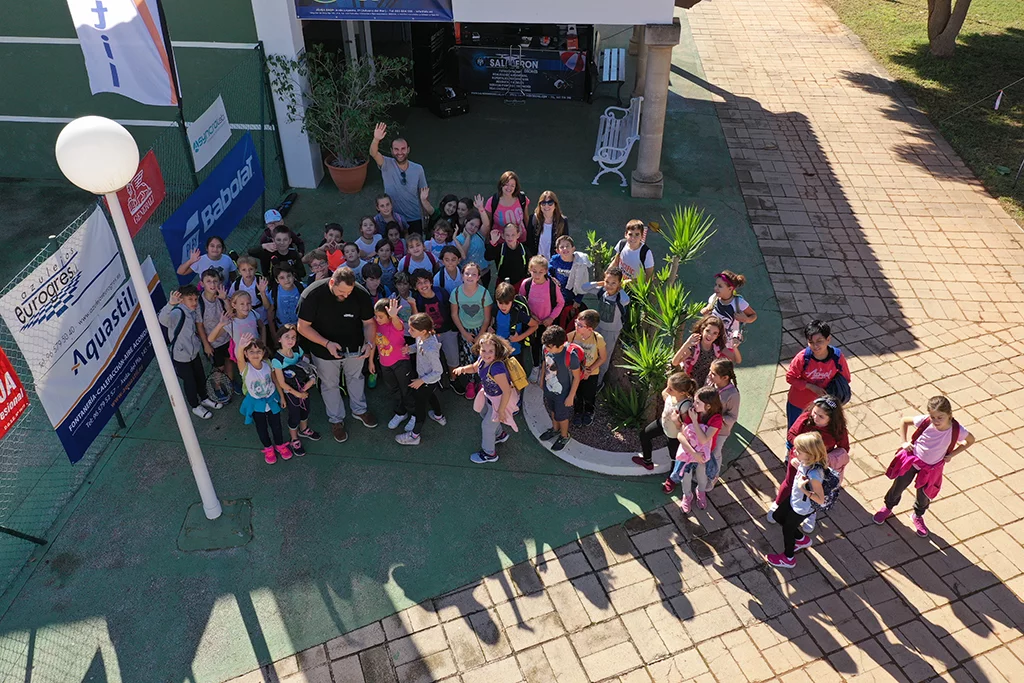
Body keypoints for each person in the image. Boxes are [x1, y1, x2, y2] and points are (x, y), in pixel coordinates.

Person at [297, 267, 378, 443]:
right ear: (332, 282)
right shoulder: (312, 294)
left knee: (356, 378)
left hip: (355, 348)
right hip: (323, 351)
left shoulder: (360, 293)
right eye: (342, 291)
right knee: (329, 384)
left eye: (349, 291)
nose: (346, 296)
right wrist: (326, 343)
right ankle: (336, 420)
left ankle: (359, 410)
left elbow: (369, 323)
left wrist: (369, 343)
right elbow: (302, 327)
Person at [875, 396, 974, 538]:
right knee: (899, 485)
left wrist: (952, 454)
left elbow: (970, 440)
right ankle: (888, 507)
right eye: (933, 417)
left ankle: (917, 515)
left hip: (932, 469)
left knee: (924, 495)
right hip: (913, 461)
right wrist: (904, 442)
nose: (936, 421)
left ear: (950, 415)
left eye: (940, 417)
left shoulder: (957, 430)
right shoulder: (926, 421)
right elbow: (904, 421)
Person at [767, 394, 849, 533]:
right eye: (815, 412)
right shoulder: (806, 418)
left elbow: (844, 449)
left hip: (818, 467)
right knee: (790, 482)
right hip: (797, 460)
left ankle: (810, 514)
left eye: (821, 416)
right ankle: (778, 503)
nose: (815, 417)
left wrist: (824, 458)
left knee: (814, 490)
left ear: (831, 419)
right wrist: (801, 447)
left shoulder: (838, 430)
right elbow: (791, 434)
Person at [159, 286, 224, 419]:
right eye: (190, 299)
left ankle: (204, 398)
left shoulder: (193, 311)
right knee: (190, 382)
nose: (194, 302)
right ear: (181, 300)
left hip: (194, 353)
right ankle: (195, 406)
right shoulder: (177, 312)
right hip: (181, 357)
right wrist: (170, 304)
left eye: (195, 299)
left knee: (200, 377)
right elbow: (163, 320)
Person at [766, 432, 828, 569]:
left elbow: (821, 499)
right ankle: (800, 539)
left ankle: (788, 558)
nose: (795, 451)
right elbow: (802, 469)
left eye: (799, 450)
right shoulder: (806, 462)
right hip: (795, 499)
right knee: (778, 516)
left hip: (802, 508)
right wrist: (798, 465)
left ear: (810, 454)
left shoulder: (814, 474)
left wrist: (804, 489)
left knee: (788, 529)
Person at [454, 333, 518, 464]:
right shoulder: (482, 360)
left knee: (487, 425)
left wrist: (500, 411)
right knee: (484, 413)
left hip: (500, 401)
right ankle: (499, 435)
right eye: (483, 350)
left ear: (497, 351)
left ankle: (489, 454)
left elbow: (506, 391)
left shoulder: (497, 368)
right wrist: (463, 369)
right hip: (490, 396)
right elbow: (474, 367)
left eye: (491, 351)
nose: (486, 354)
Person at [663, 387, 723, 511]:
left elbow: (703, 440)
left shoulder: (716, 420)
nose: (693, 404)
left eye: (697, 403)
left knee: (702, 477)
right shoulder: (692, 413)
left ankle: (700, 492)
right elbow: (680, 435)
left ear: (708, 406)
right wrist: (693, 453)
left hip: (704, 455)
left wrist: (695, 421)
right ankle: (687, 496)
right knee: (686, 477)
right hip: (689, 453)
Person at [785, 319, 851, 428]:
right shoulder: (802, 358)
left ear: (828, 339)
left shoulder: (837, 357)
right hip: (798, 404)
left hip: (822, 407)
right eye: (811, 342)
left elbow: (845, 378)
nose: (815, 346)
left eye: (819, 341)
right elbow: (790, 378)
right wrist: (810, 386)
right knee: (795, 432)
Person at [395, 313, 447, 445]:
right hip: (426, 381)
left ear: (423, 331)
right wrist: (410, 349)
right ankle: (438, 416)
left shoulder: (430, 349)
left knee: (420, 407)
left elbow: (438, 371)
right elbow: (418, 348)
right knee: (431, 396)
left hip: (426, 381)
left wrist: (421, 381)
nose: (409, 330)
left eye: (412, 329)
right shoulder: (422, 338)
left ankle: (414, 436)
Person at [237, 333, 290, 464]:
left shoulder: (267, 364)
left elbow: (275, 380)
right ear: (246, 354)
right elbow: (239, 359)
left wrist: (282, 397)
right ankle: (268, 448)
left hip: (272, 401)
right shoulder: (245, 368)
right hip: (256, 405)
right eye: (251, 351)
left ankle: (280, 445)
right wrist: (240, 346)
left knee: (276, 425)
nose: (255, 354)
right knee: (262, 428)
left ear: (263, 352)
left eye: (258, 351)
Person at [271, 324, 321, 457]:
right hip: (291, 393)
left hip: (303, 388)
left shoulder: (298, 350)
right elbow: (281, 382)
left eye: (293, 337)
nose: (290, 340)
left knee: (306, 410)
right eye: (287, 337)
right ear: (279, 339)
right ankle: (294, 439)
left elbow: (306, 366)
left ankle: (304, 429)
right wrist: (297, 393)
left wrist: (310, 381)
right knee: (294, 416)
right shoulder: (277, 360)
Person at [369, 299, 417, 433]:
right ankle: (401, 413)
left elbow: (398, 325)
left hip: (401, 363)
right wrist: (371, 361)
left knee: (406, 390)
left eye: (381, 316)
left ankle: (414, 414)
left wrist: (394, 315)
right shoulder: (375, 325)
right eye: (376, 316)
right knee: (393, 390)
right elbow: (373, 343)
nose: (377, 319)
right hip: (384, 365)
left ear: (389, 315)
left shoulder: (396, 323)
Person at [369, 123, 428, 233]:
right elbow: (373, 153)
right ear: (391, 151)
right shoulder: (386, 164)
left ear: (408, 149)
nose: (400, 152)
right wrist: (376, 139)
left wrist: (425, 216)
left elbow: (423, 195)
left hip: (414, 218)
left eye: (403, 149)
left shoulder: (418, 169)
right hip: (392, 218)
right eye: (396, 149)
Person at [633, 373, 696, 471]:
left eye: (670, 389)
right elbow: (664, 394)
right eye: (667, 386)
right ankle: (647, 461)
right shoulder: (671, 395)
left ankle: (673, 478)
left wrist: (676, 421)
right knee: (644, 435)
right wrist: (666, 394)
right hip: (663, 424)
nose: (667, 390)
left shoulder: (685, 406)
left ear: (682, 393)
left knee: (674, 457)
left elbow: (686, 427)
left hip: (673, 435)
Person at [451, 262, 494, 399]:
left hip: (481, 330)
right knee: (468, 357)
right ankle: (470, 383)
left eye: (473, 274)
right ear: (462, 276)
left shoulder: (484, 293)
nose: (470, 276)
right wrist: (464, 333)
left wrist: (481, 334)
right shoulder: (456, 293)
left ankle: (482, 382)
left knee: (483, 357)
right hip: (465, 330)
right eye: (467, 273)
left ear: (478, 277)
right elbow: (454, 314)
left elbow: (487, 317)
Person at [411, 269, 458, 390]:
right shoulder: (417, 299)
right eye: (419, 283)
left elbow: (451, 311)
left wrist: (454, 330)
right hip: (429, 335)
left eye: (425, 281)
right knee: (429, 361)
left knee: (452, 358)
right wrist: (413, 305)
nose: (423, 285)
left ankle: (454, 380)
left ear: (431, 282)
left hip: (447, 330)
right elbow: (417, 321)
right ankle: (434, 383)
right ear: (415, 287)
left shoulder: (441, 293)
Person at [520, 255, 565, 379]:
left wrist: (551, 318)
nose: (537, 275)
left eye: (540, 272)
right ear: (529, 271)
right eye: (534, 271)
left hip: (547, 324)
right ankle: (536, 367)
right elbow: (521, 303)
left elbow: (560, 303)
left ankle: (547, 368)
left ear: (546, 271)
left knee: (548, 345)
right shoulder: (526, 284)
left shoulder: (552, 285)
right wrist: (531, 316)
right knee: (534, 345)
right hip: (532, 324)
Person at [583, 266, 630, 384]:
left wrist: (621, 287)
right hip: (598, 327)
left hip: (611, 332)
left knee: (604, 357)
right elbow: (584, 287)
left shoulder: (620, 297)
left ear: (619, 283)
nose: (609, 285)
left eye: (614, 283)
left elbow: (626, 300)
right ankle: (588, 375)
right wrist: (600, 283)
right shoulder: (601, 292)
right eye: (607, 281)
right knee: (592, 352)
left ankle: (598, 383)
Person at [538, 326, 581, 452]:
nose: (546, 348)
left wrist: (571, 396)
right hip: (549, 388)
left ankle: (564, 436)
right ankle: (555, 429)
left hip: (563, 393)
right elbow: (544, 364)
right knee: (552, 410)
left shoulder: (570, 356)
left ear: (560, 345)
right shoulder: (546, 349)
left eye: (550, 346)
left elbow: (577, 377)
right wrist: (541, 381)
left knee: (562, 416)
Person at [703, 359, 740, 494]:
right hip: (705, 426)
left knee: (714, 453)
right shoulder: (710, 382)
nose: (709, 375)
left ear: (725, 378)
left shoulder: (733, 395)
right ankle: (702, 473)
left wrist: (717, 418)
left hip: (720, 431)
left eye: (713, 373)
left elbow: (732, 418)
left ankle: (712, 477)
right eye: (710, 371)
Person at [195, 269, 234, 398]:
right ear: (202, 283)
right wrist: (206, 345)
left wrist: (225, 300)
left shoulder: (222, 297)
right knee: (219, 367)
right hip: (213, 343)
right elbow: (199, 326)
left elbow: (231, 314)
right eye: (209, 281)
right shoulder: (199, 303)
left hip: (227, 338)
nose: (212, 284)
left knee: (229, 361)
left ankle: (229, 384)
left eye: (215, 281)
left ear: (220, 282)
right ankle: (218, 387)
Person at [671, 316, 740, 386]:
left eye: (715, 333)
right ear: (702, 330)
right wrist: (686, 344)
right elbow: (675, 362)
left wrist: (735, 348)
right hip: (692, 386)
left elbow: (737, 359)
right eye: (708, 331)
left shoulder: (718, 348)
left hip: (709, 386)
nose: (710, 335)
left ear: (718, 336)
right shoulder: (694, 347)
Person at [208, 291, 266, 373]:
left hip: (257, 352)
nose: (246, 307)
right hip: (242, 356)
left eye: (248, 303)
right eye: (242, 304)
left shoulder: (253, 313)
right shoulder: (231, 322)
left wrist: (263, 343)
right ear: (234, 305)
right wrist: (220, 324)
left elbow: (262, 326)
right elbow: (211, 339)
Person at [566, 309, 606, 426]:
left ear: (590, 329)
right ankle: (577, 412)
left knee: (589, 394)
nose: (576, 326)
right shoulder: (572, 336)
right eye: (576, 322)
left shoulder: (598, 339)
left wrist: (590, 369)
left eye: (580, 325)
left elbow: (602, 357)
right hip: (576, 373)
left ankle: (589, 411)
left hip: (591, 374)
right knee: (577, 393)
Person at [491, 282, 538, 378]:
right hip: (499, 348)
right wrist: (491, 327)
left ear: (512, 301)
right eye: (500, 303)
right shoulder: (495, 309)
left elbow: (535, 325)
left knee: (517, 376)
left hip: (514, 351)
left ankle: (517, 391)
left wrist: (519, 338)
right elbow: (493, 320)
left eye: (507, 303)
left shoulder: (518, 313)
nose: (503, 306)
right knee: (500, 374)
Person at [701, 270, 756, 349]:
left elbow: (753, 315)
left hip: (728, 343)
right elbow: (709, 309)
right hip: (712, 340)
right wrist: (706, 310)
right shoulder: (714, 298)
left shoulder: (739, 302)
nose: (716, 288)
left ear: (730, 289)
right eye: (715, 285)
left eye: (720, 286)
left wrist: (746, 319)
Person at [548, 235, 591, 331]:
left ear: (573, 249)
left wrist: (578, 300)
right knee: (557, 322)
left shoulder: (579, 263)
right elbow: (548, 271)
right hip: (557, 298)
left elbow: (582, 283)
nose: (565, 248)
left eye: (567, 246)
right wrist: (551, 278)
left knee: (570, 324)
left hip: (571, 298)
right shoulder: (555, 259)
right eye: (562, 247)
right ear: (557, 251)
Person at [228, 256, 272, 327]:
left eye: (251, 269)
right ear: (239, 271)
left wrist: (262, 293)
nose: (248, 273)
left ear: (256, 269)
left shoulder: (260, 282)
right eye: (244, 270)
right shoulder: (236, 284)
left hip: (261, 319)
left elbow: (267, 307)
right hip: (244, 320)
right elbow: (231, 301)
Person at [484, 171, 530, 238]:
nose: (509, 188)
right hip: (499, 242)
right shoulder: (492, 201)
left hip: (520, 240)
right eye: (506, 184)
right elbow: (487, 224)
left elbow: (526, 219)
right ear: (501, 185)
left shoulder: (522, 199)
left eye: (512, 185)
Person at [455, 205, 491, 287]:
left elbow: (487, 224)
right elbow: (463, 255)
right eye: (471, 224)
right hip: (468, 276)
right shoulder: (458, 239)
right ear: (466, 222)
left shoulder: (480, 234)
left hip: (484, 273)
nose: (473, 228)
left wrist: (481, 209)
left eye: (476, 226)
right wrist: (467, 237)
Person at [526, 190, 569, 258]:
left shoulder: (562, 221)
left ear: (555, 205)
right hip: (537, 263)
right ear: (540, 205)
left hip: (554, 263)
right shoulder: (533, 219)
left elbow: (566, 243)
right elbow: (528, 242)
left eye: (550, 203)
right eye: (543, 203)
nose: (546, 206)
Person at [486, 222, 529, 289]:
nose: (510, 237)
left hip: (519, 284)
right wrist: (493, 242)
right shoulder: (500, 248)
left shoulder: (524, 249)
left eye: (513, 235)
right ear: (503, 236)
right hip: (502, 284)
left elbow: (529, 266)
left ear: (518, 235)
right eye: (507, 235)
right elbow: (488, 257)